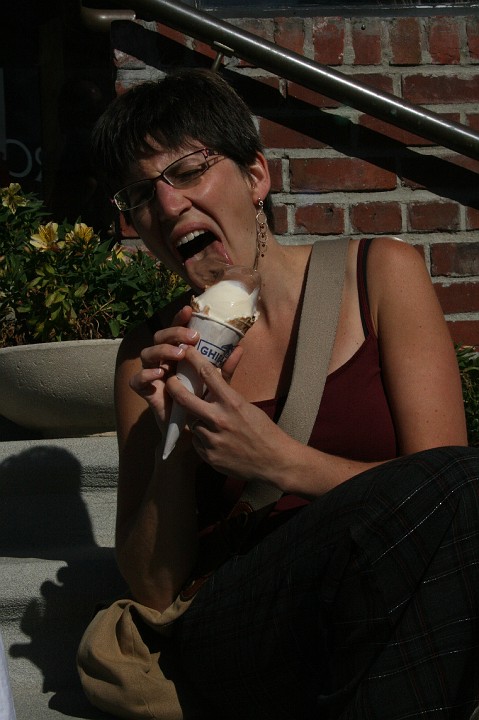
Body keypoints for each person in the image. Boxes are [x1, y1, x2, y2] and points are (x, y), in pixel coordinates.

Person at [79, 68, 479, 718]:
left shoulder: (380, 275)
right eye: (141, 194)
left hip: (383, 599)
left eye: (187, 171)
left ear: (256, 176)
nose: (168, 205)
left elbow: (446, 492)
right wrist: (176, 437)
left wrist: (280, 462)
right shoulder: (149, 351)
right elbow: (152, 586)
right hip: (241, 624)